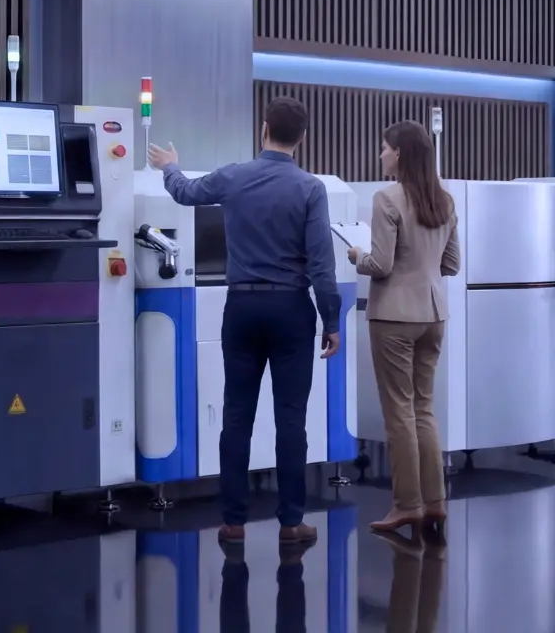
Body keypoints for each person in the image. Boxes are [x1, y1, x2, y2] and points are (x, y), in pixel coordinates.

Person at [148, 98, 341, 546]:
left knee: (236, 414)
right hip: (291, 310)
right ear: (302, 138)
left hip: (241, 307)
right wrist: (331, 318)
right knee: (291, 418)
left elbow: (185, 192)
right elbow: (321, 263)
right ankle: (291, 522)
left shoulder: (234, 176)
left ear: (264, 128)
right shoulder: (311, 188)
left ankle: (233, 521)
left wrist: (170, 166)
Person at [345, 120, 460, 535]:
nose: (381, 155)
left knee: (399, 412)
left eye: (384, 148)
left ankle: (407, 504)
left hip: (394, 316)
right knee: (424, 409)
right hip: (434, 315)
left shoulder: (386, 198)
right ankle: (435, 501)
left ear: (399, 154)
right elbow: (451, 265)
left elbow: (381, 265)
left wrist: (356, 255)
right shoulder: (444, 200)